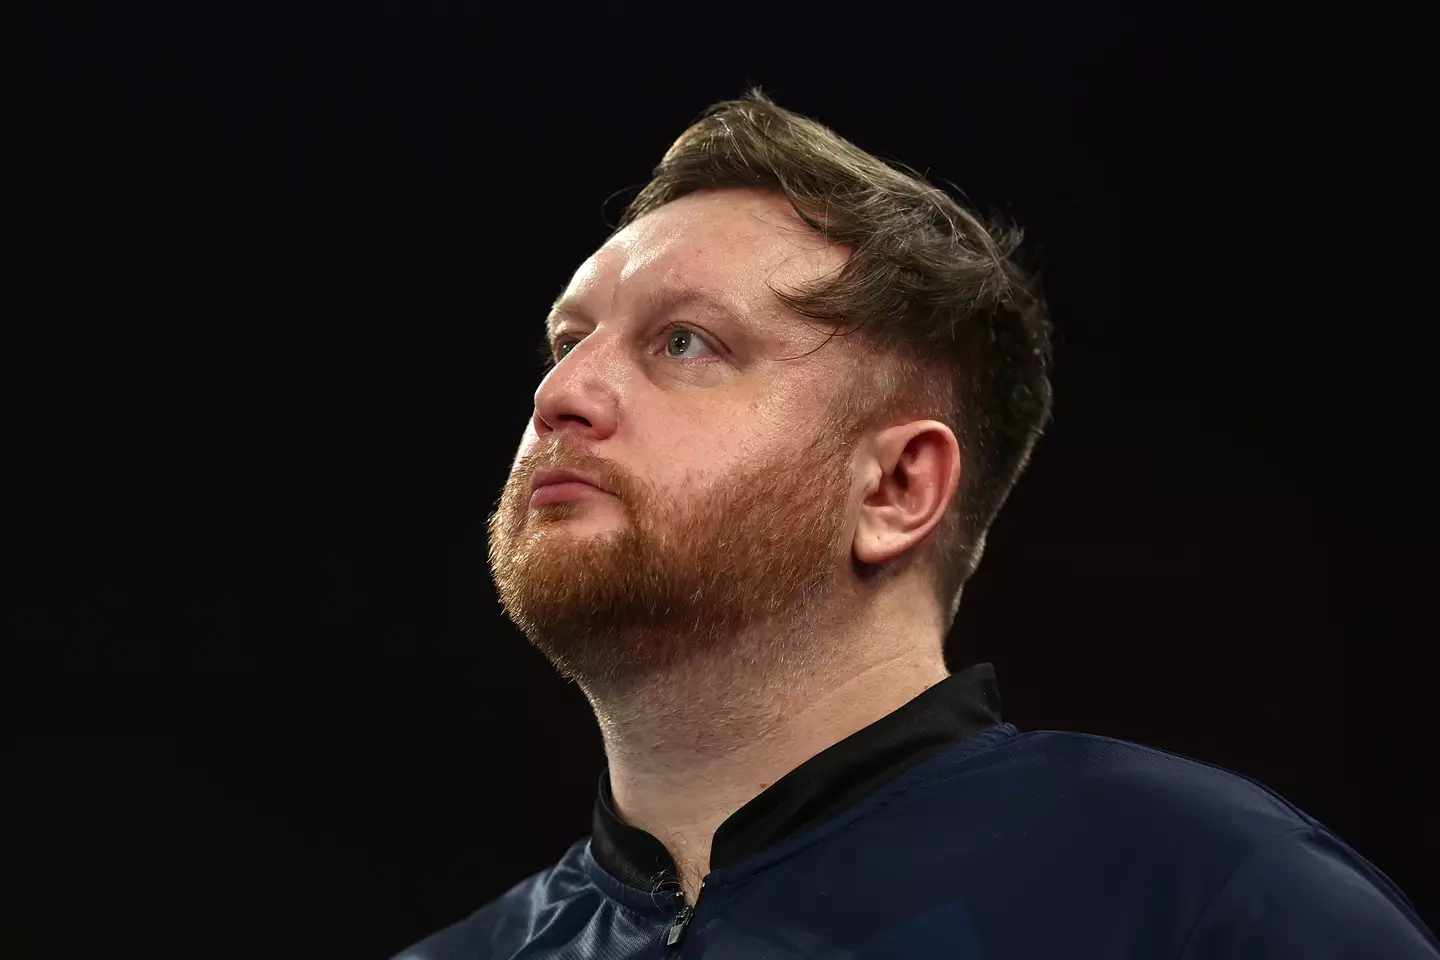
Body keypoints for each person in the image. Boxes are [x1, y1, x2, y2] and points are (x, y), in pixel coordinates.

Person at [396, 91, 1438, 958]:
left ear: (896, 488)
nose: (563, 392)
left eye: (683, 343)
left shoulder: (1196, 899)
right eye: (566, 340)